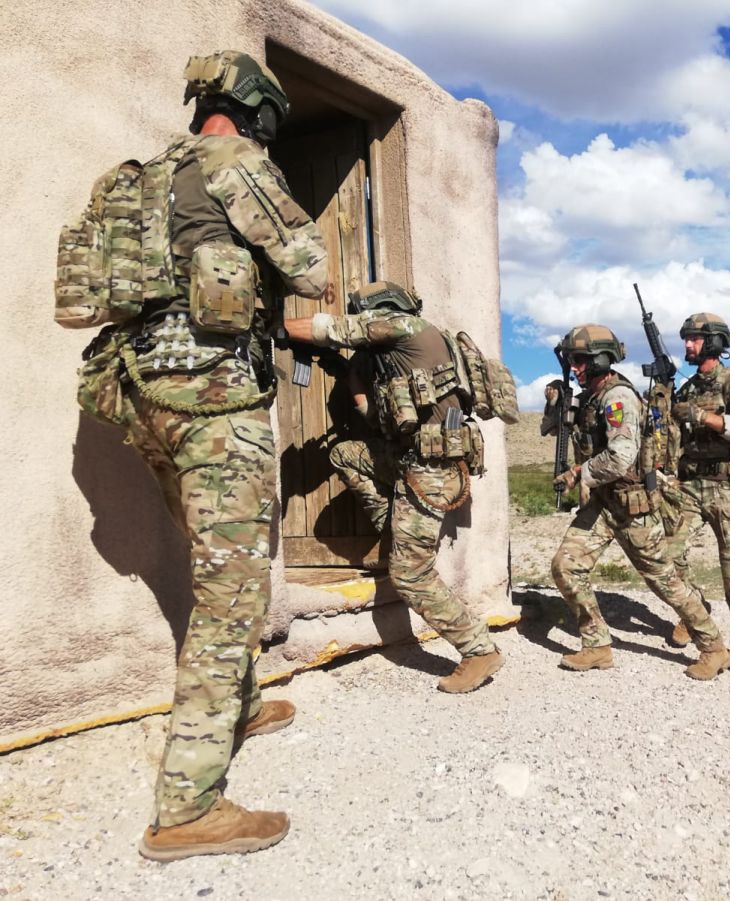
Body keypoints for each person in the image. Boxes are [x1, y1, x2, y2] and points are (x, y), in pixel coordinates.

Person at [120, 52, 329, 861]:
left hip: (143, 399)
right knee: (232, 594)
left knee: (217, 571)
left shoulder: (143, 177)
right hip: (215, 403)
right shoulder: (236, 161)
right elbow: (309, 269)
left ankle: (236, 706)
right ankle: (186, 807)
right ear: (258, 109)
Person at [283, 282, 505, 694]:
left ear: (379, 311)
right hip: (408, 459)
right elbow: (371, 415)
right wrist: (349, 373)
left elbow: (330, 328)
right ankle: (396, 532)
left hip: (432, 469)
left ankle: (478, 649)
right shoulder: (401, 354)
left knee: (409, 574)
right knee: (345, 454)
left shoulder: (406, 327)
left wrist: (273, 327)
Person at [549, 325, 729, 680]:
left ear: (600, 360)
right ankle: (597, 645)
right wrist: (554, 403)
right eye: (572, 361)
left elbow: (620, 456)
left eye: (580, 361)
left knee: (666, 582)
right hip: (602, 503)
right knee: (565, 567)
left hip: (631, 507)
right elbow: (561, 432)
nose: (575, 368)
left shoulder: (618, 398)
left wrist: (578, 473)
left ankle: (713, 647)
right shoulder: (590, 397)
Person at [663, 313, 730, 671]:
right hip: (691, 486)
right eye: (686, 338)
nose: (687, 345)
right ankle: (696, 610)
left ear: (714, 342)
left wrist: (705, 417)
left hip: (727, 488)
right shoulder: (687, 388)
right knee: (670, 555)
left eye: (694, 338)